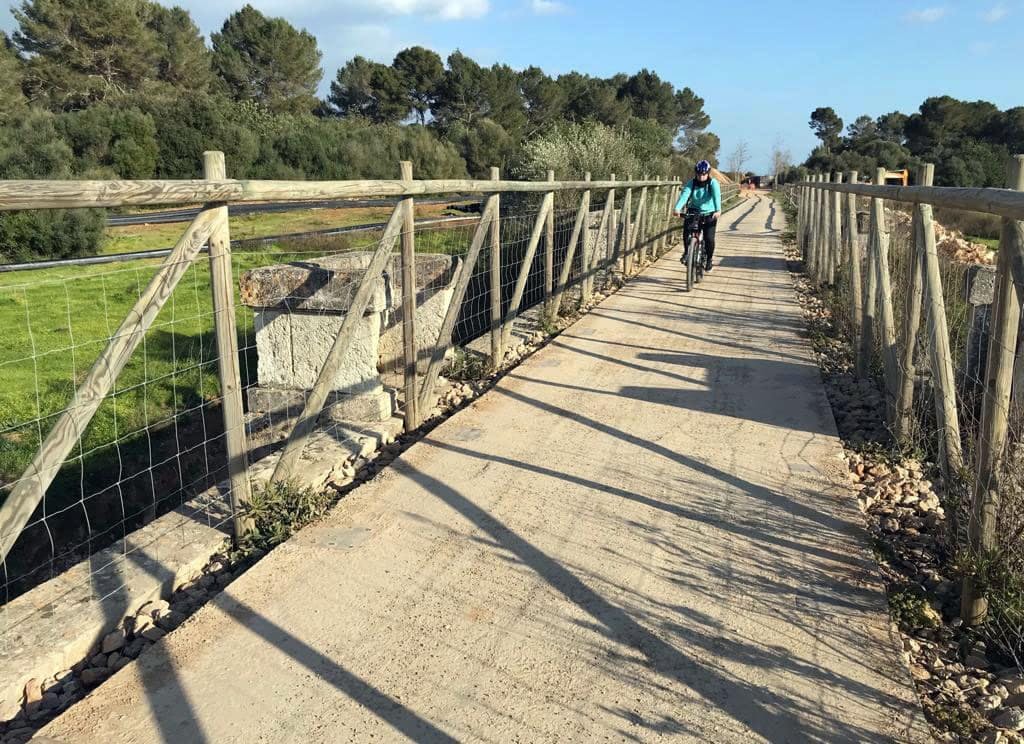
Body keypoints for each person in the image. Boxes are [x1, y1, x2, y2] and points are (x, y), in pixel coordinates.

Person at [674, 160, 721, 272]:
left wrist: (718, 210)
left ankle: (709, 259)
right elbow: (684, 195)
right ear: (696, 173)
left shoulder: (712, 183)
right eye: (699, 174)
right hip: (694, 211)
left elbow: (716, 197)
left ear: (708, 173)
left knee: (709, 238)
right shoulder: (692, 183)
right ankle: (686, 253)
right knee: (686, 231)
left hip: (710, 213)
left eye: (704, 174)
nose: (701, 176)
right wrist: (677, 208)